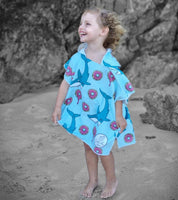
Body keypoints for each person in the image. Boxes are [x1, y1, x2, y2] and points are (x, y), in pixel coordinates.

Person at [52, 7, 136, 199]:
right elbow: (66, 83)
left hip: (106, 116)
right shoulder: (77, 58)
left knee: (103, 149)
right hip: (84, 112)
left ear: (103, 30)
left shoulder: (110, 63)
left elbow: (119, 92)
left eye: (87, 24)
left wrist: (119, 115)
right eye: (81, 23)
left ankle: (111, 179)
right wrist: (58, 107)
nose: (81, 27)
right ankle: (92, 179)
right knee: (89, 146)